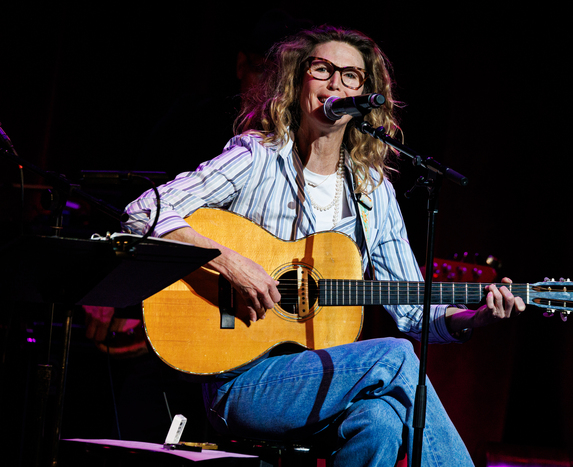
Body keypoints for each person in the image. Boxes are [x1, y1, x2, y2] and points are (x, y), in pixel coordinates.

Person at [123, 25, 524, 466]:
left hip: (323, 382)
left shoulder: (373, 191)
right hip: (238, 383)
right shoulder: (257, 158)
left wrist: (476, 317)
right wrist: (231, 264)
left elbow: (414, 313)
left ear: (366, 95)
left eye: (351, 75)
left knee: (383, 421)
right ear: (298, 81)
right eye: (322, 69)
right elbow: (145, 211)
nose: (336, 83)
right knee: (395, 356)